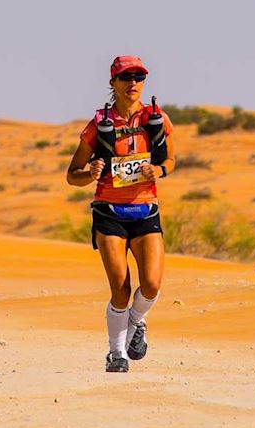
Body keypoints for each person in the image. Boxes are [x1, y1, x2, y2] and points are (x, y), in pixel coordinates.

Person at [66, 55, 176, 372]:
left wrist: (159, 171)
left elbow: (171, 160)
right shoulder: (98, 126)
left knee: (152, 285)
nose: (133, 84)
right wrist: (91, 172)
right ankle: (117, 354)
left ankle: (136, 322)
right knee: (121, 287)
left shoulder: (156, 120)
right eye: (126, 77)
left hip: (146, 211)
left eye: (139, 77)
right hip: (109, 212)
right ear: (113, 82)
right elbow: (72, 174)